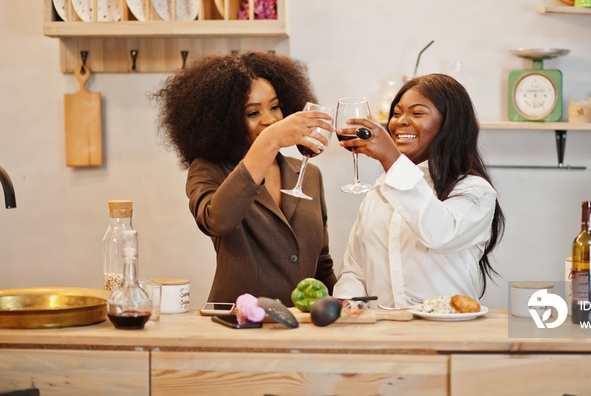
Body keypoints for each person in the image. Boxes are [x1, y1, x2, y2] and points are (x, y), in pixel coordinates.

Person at [151, 52, 336, 306]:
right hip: (238, 325)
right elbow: (218, 221)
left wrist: (340, 311)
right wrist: (269, 141)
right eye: (252, 113)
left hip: (303, 327)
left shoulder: (309, 174)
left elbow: (321, 265)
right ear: (226, 122)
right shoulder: (208, 170)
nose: (270, 120)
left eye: (274, 106)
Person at [333, 74, 504, 307]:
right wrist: (347, 307)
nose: (400, 121)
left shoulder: (476, 192)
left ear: (450, 124)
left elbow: (439, 234)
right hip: (382, 334)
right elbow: (355, 271)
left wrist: (391, 158)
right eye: (396, 113)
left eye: (417, 113)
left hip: (446, 332)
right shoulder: (379, 192)